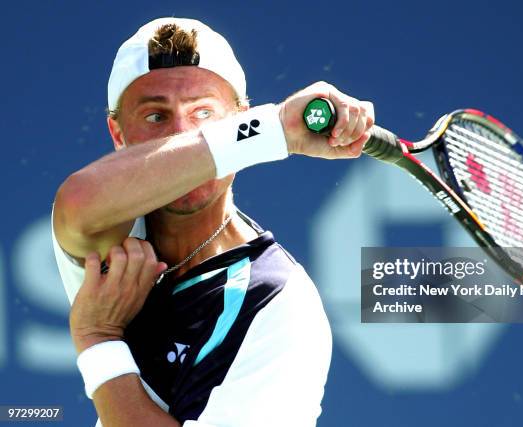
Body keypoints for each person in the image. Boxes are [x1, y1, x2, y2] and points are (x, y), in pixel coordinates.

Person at [52, 17, 374, 427]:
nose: (181, 133)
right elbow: (78, 201)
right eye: (155, 117)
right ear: (118, 133)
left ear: (239, 119)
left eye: (203, 112)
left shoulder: (278, 303)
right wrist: (274, 130)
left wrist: (98, 341)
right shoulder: (112, 224)